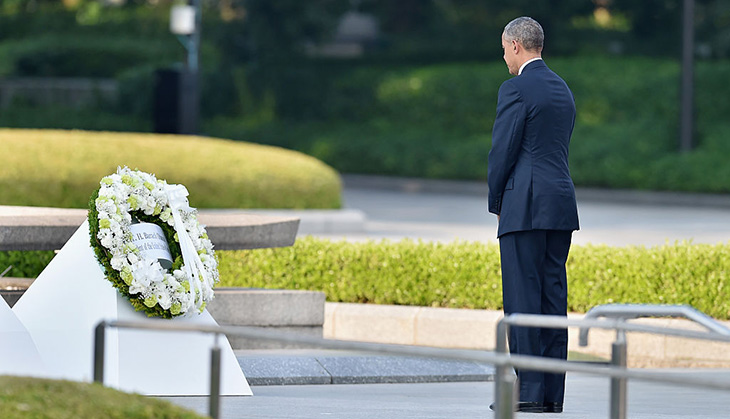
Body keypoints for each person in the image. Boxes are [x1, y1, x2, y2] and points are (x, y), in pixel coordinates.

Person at [487, 16, 580, 414]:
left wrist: (496, 202)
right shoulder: (563, 89)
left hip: (523, 207)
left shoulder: (516, 88)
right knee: (552, 300)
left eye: (504, 48)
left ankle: (526, 391)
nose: (504, 55)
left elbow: (503, 152)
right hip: (559, 207)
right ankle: (551, 395)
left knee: (522, 300)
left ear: (515, 46)